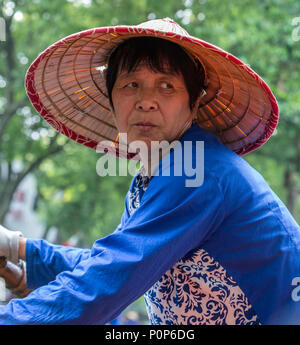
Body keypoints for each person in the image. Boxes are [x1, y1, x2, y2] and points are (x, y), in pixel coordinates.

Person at [0, 17, 299, 325]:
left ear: (194, 103)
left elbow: (113, 278)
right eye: (131, 85)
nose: (146, 101)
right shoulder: (152, 178)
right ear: (111, 99)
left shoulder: (199, 172)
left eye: (166, 86)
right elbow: (112, 262)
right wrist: (20, 249)